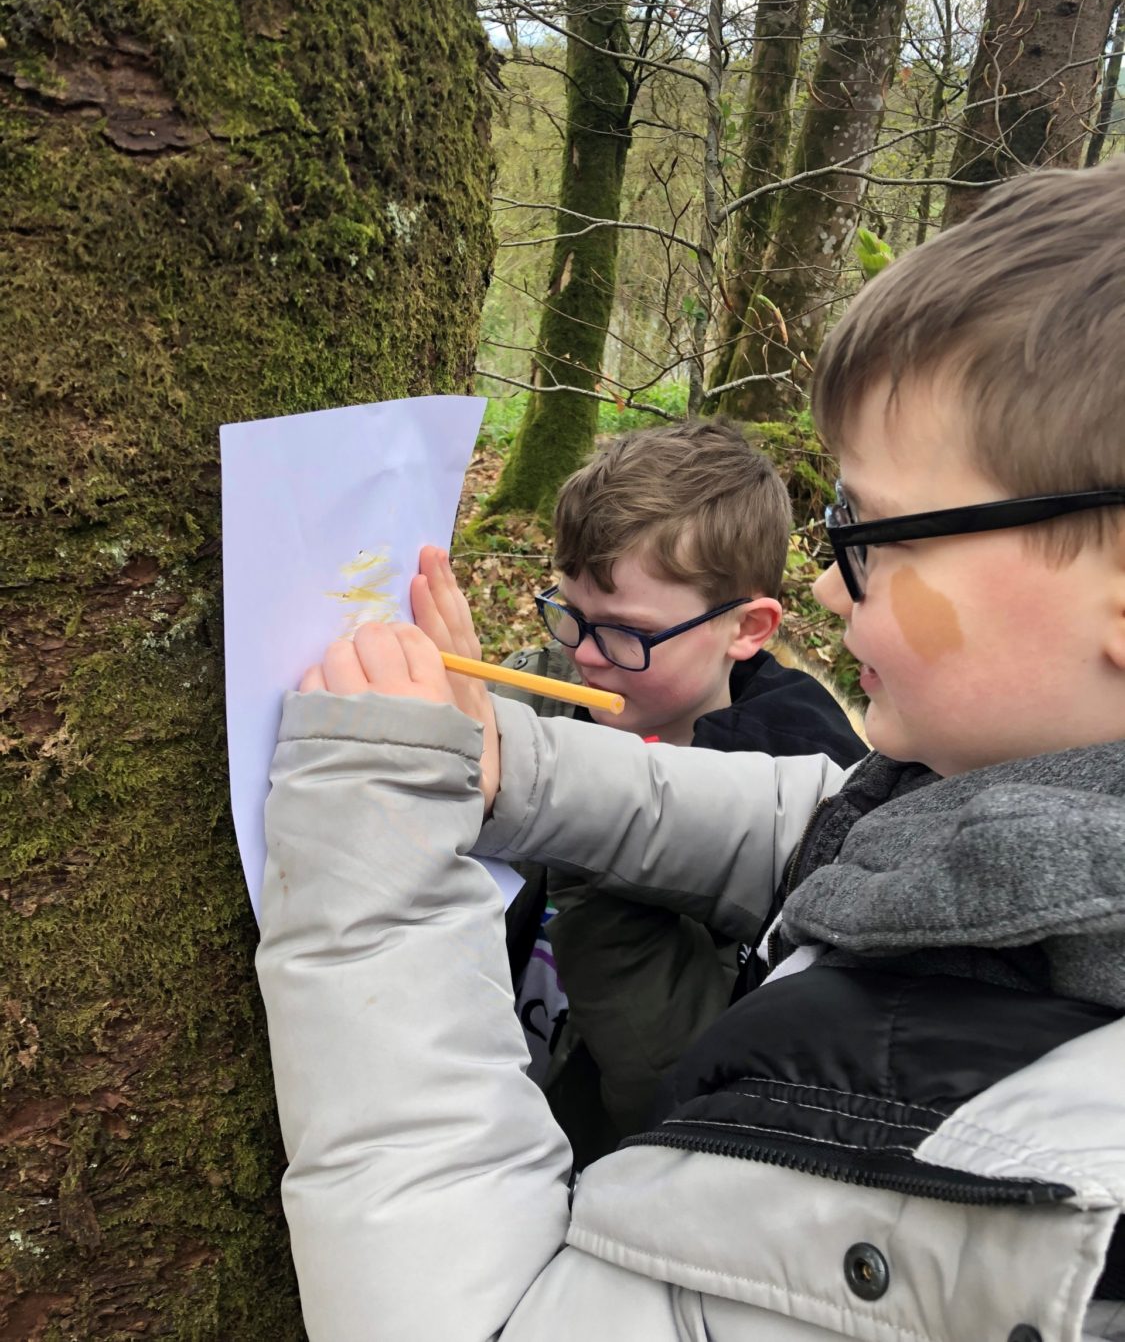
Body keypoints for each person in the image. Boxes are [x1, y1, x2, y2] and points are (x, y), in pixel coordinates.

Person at [256, 161, 1125, 1342]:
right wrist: (508, 757)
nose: (826, 579)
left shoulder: (1007, 1159)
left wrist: (378, 850)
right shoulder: (1015, 806)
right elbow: (817, 823)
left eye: (868, 535)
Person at [495, 421, 866, 1156]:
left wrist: (592, 843)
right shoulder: (544, 692)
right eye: (568, 614)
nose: (585, 657)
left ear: (746, 628)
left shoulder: (809, 819)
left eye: (625, 635)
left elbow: (677, 1096)